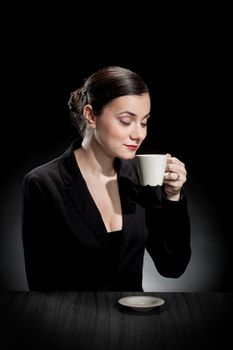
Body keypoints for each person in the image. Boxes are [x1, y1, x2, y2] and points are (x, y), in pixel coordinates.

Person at [22, 66, 191, 291]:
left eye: (144, 122)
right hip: (70, 323)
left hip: (134, 320)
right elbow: (42, 286)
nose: (138, 134)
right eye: (125, 120)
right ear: (91, 115)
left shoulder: (140, 176)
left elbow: (172, 266)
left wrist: (173, 197)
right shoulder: (43, 184)